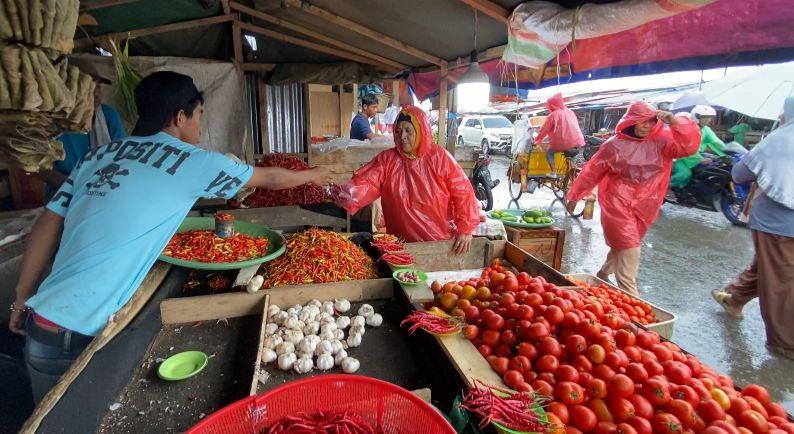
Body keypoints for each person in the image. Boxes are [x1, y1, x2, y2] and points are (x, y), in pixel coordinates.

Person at [9, 71, 330, 402]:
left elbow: (49, 221)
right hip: (84, 333)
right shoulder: (192, 161)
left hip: (41, 323)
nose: (200, 126)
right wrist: (315, 174)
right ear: (180, 117)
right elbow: (272, 179)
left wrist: (22, 296)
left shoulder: (97, 157)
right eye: (200, 116)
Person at [566, 101, 700, 295]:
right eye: (642, 121)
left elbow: (688, 147)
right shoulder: (614, 145)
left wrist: (675, 121)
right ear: (631, 121)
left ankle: (602, 275)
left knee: (624, 244)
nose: (647, 126)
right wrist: (574, 195)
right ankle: (633, 300)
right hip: (617, 202)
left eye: (651, 121)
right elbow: (592, 172)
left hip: (647, 204)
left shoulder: (663, 141)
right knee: (629, 247)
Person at [711, 96, 794, 360]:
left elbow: (739, 173)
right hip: (781, 226)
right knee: (775, 272)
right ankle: (736, 301)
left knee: (775, 275)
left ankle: (737, 301)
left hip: (777, 223)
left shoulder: (779, 139)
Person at [335, 105, 479, 254]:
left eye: (408, 131)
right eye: (398, 131)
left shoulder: (439, 156)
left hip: (439, 243)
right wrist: (342, 193)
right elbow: (366, 183)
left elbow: (463, 192)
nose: (402, 136)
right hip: (401, 245)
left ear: (421, 130)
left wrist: (466, 229)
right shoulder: (387, 160)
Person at [39, 70, 127, 197]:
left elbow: (122, 158)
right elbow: (43, 170)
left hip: (104, 191)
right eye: (89, 88)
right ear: (69, 89)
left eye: (98, 87)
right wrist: (80, 191)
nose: (96, 95)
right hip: (62, 196)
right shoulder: (51, 121)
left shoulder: (108, 116)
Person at [669, 105, 726, 189]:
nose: (708, 120)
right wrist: (700, 159)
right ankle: (663, 187)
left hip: (696, 154)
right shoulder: (687, 128)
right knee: (685, 174)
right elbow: (687, 147)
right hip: (680, 157)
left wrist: (728, 152)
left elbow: (716, 142)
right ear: (697, 117)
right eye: (705, 118)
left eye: (710, 118)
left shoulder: (706, 129)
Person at [533, 93, 585, 177]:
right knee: (573, 158)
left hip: (562, 143)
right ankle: (571, 174)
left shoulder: (553, 115)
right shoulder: (570, 112)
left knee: (549, 153)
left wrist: (537, 140)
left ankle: (554, 172)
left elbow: (543, 131)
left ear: (552, 105)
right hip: (577, 141)